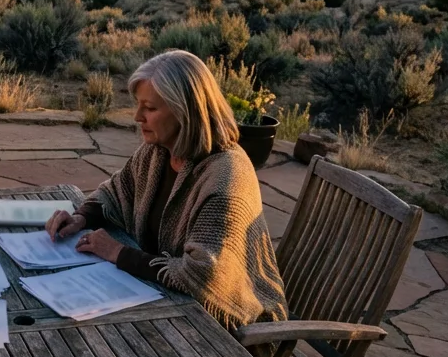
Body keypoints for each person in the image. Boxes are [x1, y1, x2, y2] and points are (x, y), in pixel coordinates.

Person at [46, 49, 287, 330]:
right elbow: (116, 192)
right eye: (138, 105)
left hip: (228, 332)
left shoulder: (225, 178)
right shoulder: (159, 152)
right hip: (162, 304)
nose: (137, 116)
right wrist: (81, 218)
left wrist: (117, 252)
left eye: (150, 108)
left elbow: (203, 275)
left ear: (185, 111)